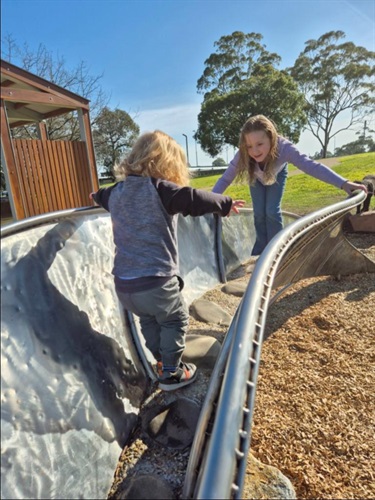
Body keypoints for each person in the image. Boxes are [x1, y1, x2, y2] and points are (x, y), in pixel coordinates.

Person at [90, 130, 244, 391]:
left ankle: (161, 362)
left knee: (149, 320)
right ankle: (172, 372)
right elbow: (195, 199)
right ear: (168, 164)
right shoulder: (161, 189)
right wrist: (225, 204)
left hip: (125, 285)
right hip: (156, 279)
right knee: (175, 319)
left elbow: (99, 195)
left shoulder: (116, 192)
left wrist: (94, 197)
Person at [212, 115, 368, 256]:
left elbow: (311, 166)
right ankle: (259, 251)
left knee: (271, 211)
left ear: (271, 138)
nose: (254, 150)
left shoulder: (284, 148)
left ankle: (276, 251)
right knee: (259, 213)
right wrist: (210, 201)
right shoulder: (243, 155)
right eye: (249, 146)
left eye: (260, 144)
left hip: (277, 174)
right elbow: (225, 179)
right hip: (256, 178)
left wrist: (343, 183)